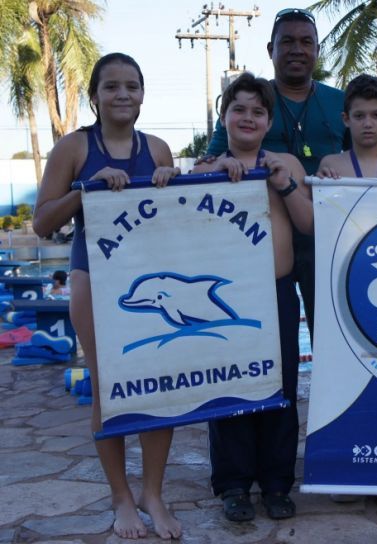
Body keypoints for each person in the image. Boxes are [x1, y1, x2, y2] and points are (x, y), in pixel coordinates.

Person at [32, 53, 182, 539]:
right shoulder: (74, 147)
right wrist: (85, 188)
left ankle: (152, 494)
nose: (123, 95)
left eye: (132, 86)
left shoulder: (157, 148)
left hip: (150, 276)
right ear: (94, 96)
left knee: (161, 386)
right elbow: (43, 222)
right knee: (109, 389)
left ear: (143, 94)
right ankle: (121, 497)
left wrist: (170, 183)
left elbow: (179, 223)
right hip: (93, 278)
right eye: (112, 87)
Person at [193, 72, 312, 522]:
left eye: (257, 111)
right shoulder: (204, 171)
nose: (247, 117)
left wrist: (281, 183)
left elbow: (308, 225)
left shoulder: (287, 164)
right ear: (224, 117)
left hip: (276, 291)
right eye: (238, 109)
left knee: (280, 389)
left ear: (268, 120)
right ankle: (233, 485)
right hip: (227, 298)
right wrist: (215, 178)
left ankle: (277, 483)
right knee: (228, 387)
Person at [206, 7, 345, 345]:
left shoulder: (339, 102)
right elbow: (211, 160)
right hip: (264, 238)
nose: (297, 49)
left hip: (324, 237)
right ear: (271, 50)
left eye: (306, 42)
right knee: (267, 343)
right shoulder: (252, 102)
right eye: (287, 42)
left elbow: (365, 155)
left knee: (332, 340)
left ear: (316, 49)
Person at [318, 74, 377, 505]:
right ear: (345, 119)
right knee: (347, 376)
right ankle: (347, 467)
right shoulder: (331, 167)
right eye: (359, 116)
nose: (368, 124)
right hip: (348, 285)